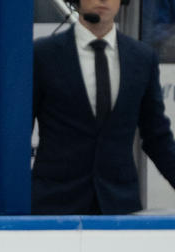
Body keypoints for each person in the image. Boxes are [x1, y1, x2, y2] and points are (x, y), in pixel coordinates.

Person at [33, 0, 175, 214]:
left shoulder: (142, 58)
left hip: (118, 205)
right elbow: (17, 131)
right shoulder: (43, 55)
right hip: (54, 205)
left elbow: (157, 136)